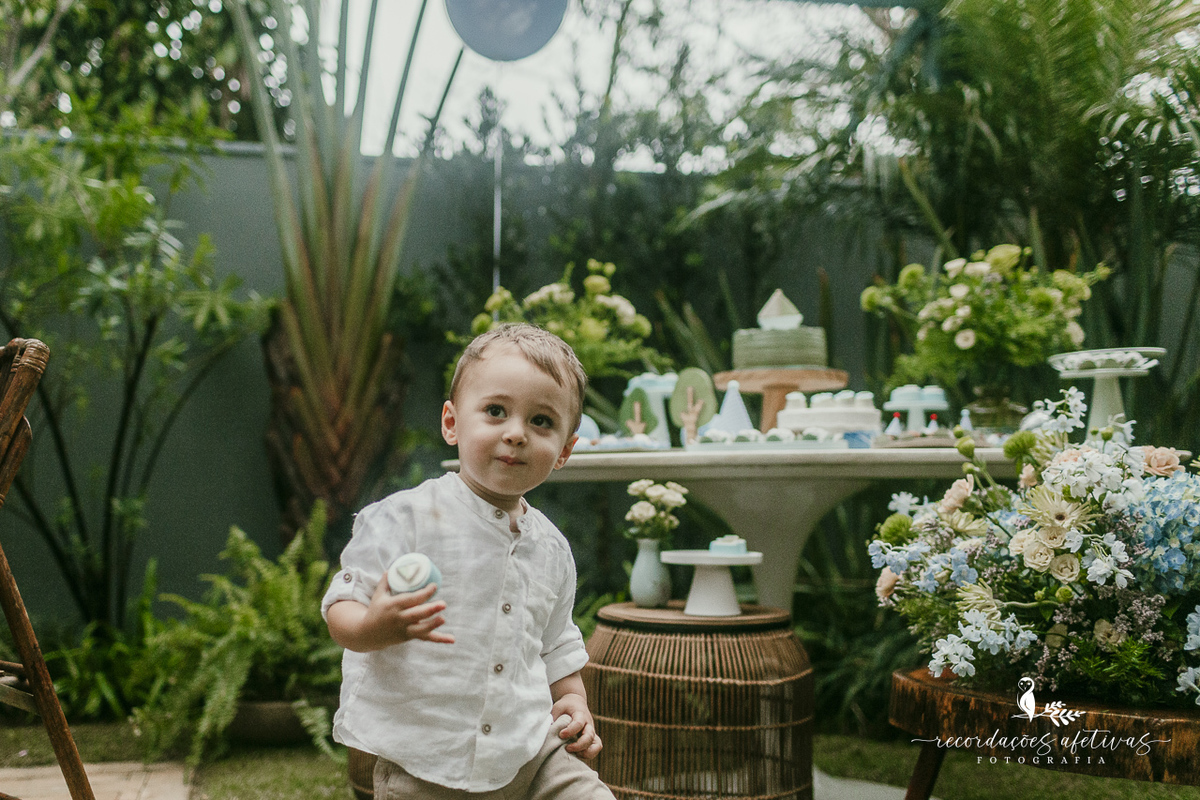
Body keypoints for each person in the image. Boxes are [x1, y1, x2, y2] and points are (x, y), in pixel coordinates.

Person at [322, 323, 614, 799]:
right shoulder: (405, 519)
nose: (516, 434)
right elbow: (341, 611)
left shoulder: (553, 549)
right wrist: (376, 625)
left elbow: (556, 645)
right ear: (452, 422)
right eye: (496, 411)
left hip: (532, 753)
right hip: (428, 759)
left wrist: (575, 703)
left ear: (564, 451)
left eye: (541, 421)